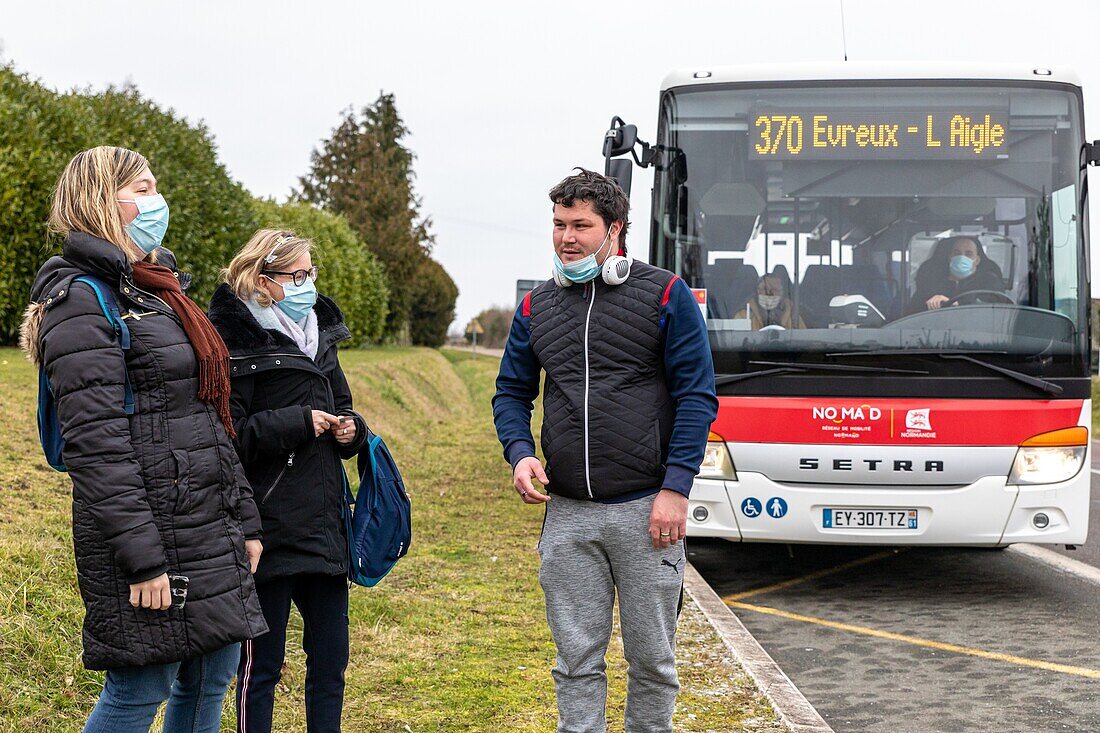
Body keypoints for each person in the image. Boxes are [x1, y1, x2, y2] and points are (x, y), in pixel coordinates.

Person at [20, 146, 267, 733]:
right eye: (144, 188)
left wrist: (246, 519)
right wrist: (142, 561)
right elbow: (97, 448)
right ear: (103, 199)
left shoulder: (154, 291)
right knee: (139, 690)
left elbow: (208, 415)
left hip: (207, 523)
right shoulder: (78, 299)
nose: (159, 200)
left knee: (212, 680)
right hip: (149, 533)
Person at [493, 169, 719, 733]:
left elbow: (697, 397)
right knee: (574, 661)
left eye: (581, 225)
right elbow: (511, 391)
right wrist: (520, 452)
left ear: (615, 230)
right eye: (559, 225)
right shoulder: (535, 308)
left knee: (652, 663)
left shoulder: (665, 294)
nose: (566, 237)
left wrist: (675, 489)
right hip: (567, 513)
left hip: (647, 512)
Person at [207, 228, 368, 733]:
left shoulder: (320, 334)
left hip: (324, 526)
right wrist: (296, 423)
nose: (307, 286)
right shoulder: (230, 341)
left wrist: (351, 431)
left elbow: (342, 404)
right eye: (295, 276)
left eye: (311, 274)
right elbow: (225, 436)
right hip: (266, 529)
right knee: (261, 669)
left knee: (331, 664)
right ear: (261, 279)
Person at [908, 234, 1005, 313]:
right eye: (957, 253)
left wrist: (957, 304)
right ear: (950, 257)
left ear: (977, 260)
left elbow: (1000, 310)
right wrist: (931, 304)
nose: (962, 257)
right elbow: (912, 314)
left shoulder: (989, 282)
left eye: (968, 254)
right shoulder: (931, 283)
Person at [734, 273, 806, 329]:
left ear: (782, 293)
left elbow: (803, 341)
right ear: (757, 291)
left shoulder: (794, 316)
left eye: (775, 289)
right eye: (764, 289)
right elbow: (735, 341)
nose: (769, 293)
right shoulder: (744, 315)